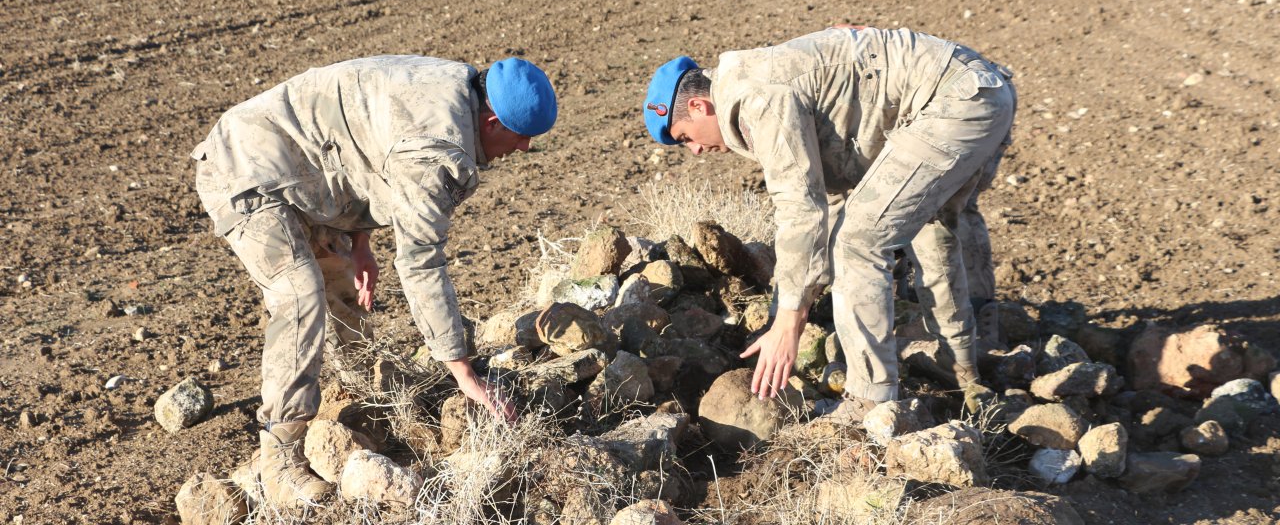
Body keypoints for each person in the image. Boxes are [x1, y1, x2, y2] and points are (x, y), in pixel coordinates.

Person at [191, 55, 557, 508]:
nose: (523, 149)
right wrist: (463, 371)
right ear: (492, 118)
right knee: (300, 294)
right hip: (244, 168)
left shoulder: (456, 87)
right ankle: (280, 459)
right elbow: (421, 261)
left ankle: (360, 402)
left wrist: (358, 240)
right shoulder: (436, 148)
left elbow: (363, 144)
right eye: (521, 137)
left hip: (302, 171)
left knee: (341, 284)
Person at [642, 26, 1015, 420]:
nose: (697, 151)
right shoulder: (756, 83)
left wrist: (789, 322)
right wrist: (783, 313)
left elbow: (801, 209)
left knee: (860, 240)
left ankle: (870, 401)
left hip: (953, 102)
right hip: (981, 91)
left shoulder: (757, 96)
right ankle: (962, 369)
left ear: (699, 107)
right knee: (929, 226)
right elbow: (830, 202)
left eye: (684, 137)